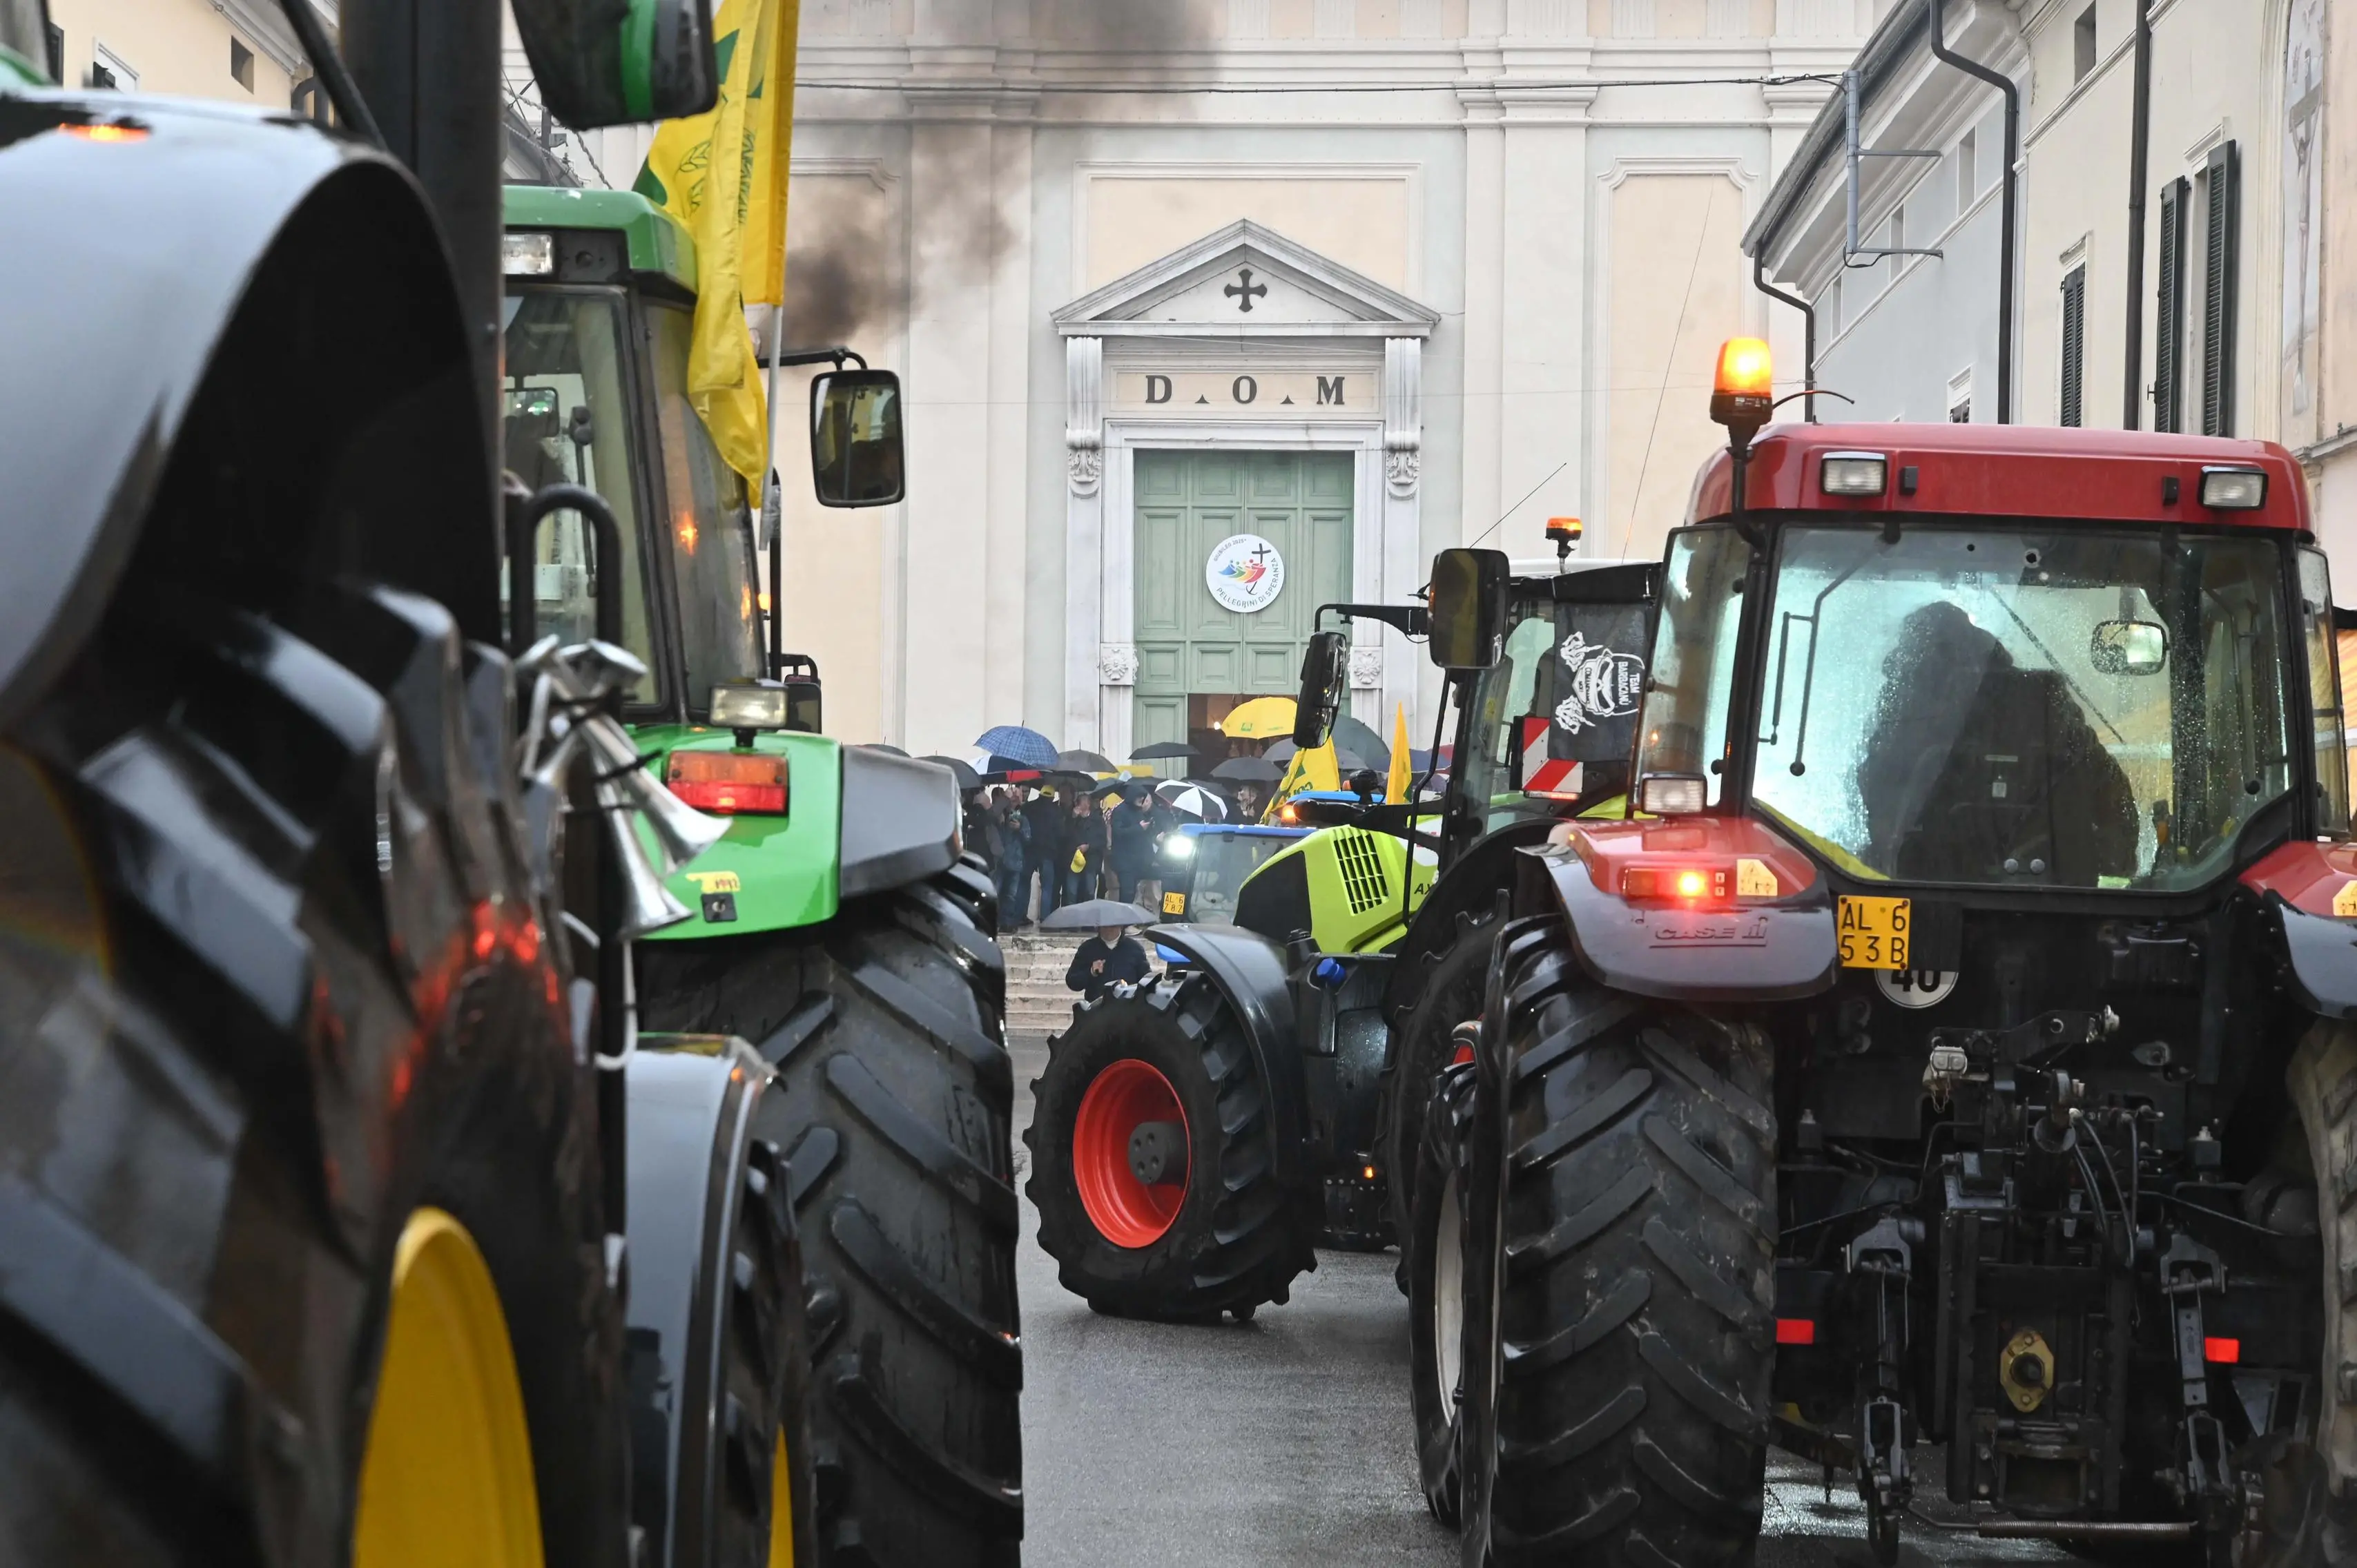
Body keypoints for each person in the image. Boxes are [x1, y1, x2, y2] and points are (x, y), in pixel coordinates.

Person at [1856, 601, 2137, 882]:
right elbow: (2107, 789)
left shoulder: (1910, 703)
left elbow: (1877, 786)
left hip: (1933, 887)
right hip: (2042, 891)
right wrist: (2115, 863)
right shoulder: (2040, 698)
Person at [1066, 923, 1152, 1003]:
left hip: (1127, 1009)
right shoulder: (1087, 948)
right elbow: (1072, 982)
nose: (1108, 929)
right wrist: (1091, 972)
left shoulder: (1134, 948)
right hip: (1096, 1009)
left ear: (1121, 926)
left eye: (1113, 926)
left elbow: (1147, 981)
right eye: (1105, 926)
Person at [1107, 784, 1158, 904]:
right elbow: (1118, 833)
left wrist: (1150, 827)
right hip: (1124, 861)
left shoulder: (1139, 811)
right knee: (1127, 892)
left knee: (1135, 892)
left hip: (1139, 860)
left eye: (1143, 797)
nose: (1142, 799)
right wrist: (1139, 828)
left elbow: (1143, 835)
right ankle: (1123, 919)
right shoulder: (1120, 811)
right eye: (1139, 797)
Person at [1021, 784, 1065, 925]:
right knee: (1047, 887)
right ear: (1052, 797)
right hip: (1048, 853)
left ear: (1040, 794)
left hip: (1030, 850)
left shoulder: (1028, 807)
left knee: (1024, 884)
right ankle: (1045, 919)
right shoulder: (1056, 811)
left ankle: (1020, 915)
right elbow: (1061, 833)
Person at [987, 790, 1030, 929]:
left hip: (1016, 862)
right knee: (995, 892)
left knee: (1011, 895)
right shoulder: (999, 816)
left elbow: (1028, 839)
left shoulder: (1023, 819)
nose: (1015, 800)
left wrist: (1020, 829)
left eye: (1017, 799)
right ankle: (991, 921)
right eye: (1012, 799)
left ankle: (1007, 923)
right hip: (1000, 861)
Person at [1064, 791, 1109, 906]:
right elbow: (1065, 834)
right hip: (1074, 860)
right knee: (1071, 892)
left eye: (1084, 801)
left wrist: (1089, 846)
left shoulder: (1097, 820)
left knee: (1089, 891)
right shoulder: (1073, 818)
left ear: (1089, 804)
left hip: (1091, 861)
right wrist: (1073, 818)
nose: (1081, 803)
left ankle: (1088, 920)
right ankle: (1072, 919)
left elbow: (1102, 840)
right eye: (1079, 801)